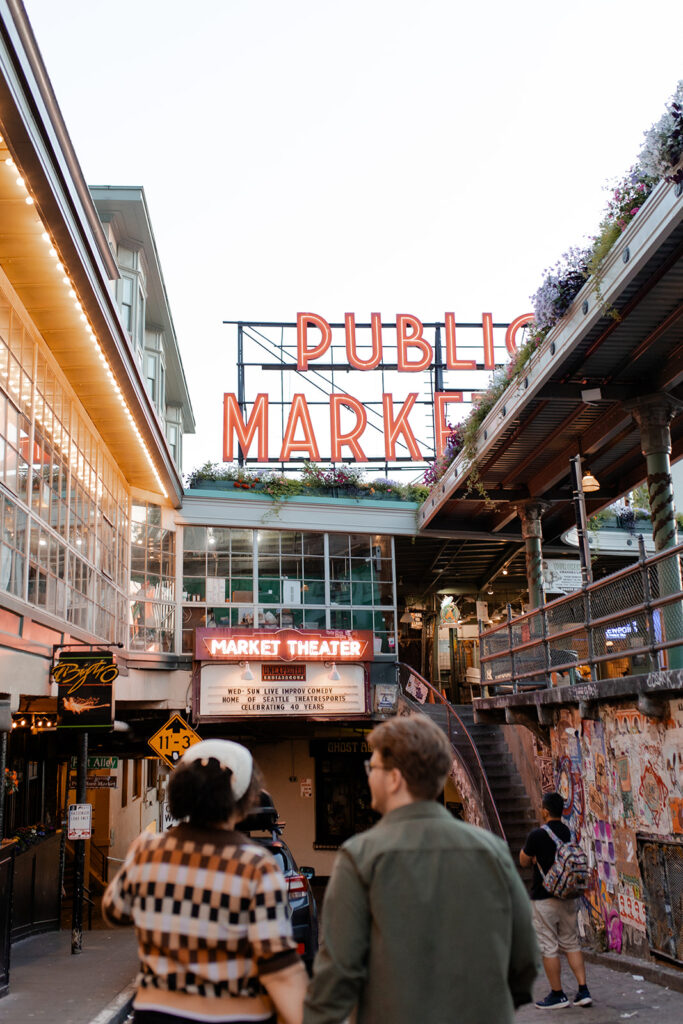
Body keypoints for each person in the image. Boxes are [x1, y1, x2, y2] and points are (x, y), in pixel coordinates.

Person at [303, 714, 539, 1024]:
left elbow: (339, 972)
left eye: (372, 768)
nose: (369, 776)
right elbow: (525, 959)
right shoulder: (491, 850)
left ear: (394, 779)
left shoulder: (361, 857)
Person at [102, 739, 307, 1024]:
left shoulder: (147, 850)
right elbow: (279, 968)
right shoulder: (255, 866)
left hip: (157, 1014)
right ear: (244, 797)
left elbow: (115, 911)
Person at [520, 791, 592, 1010]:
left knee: (548, 947)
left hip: (544, 898)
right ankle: (583, 991)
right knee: (571, 942)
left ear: (544, 811)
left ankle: (557, 994)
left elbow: (523, 860)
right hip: (568, 896)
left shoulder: (537, 835)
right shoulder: (568, 833)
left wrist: (533, 857)